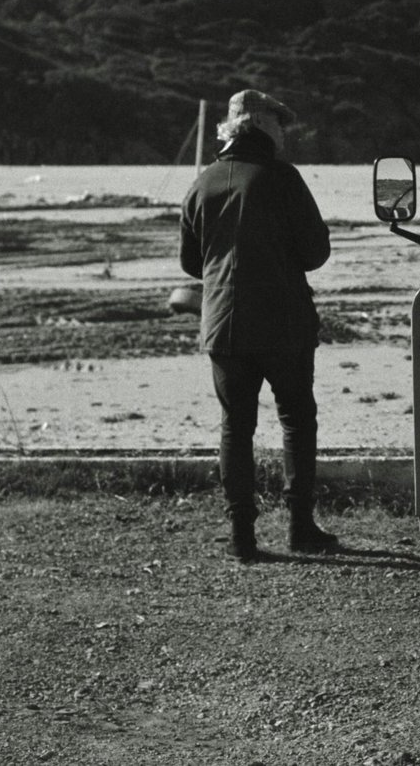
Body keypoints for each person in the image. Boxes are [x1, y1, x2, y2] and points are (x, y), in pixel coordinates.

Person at [180, 89, 336, 560]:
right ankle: (300, 526)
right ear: (264, 128)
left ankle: (241, 537)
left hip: (223, 324)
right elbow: (316, 253)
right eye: (280, 124)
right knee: (296, 419)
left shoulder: (202, 183)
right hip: (283, 321)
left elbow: (192, 263)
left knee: (235, 426)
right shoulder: (282, 178)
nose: (285, 133)